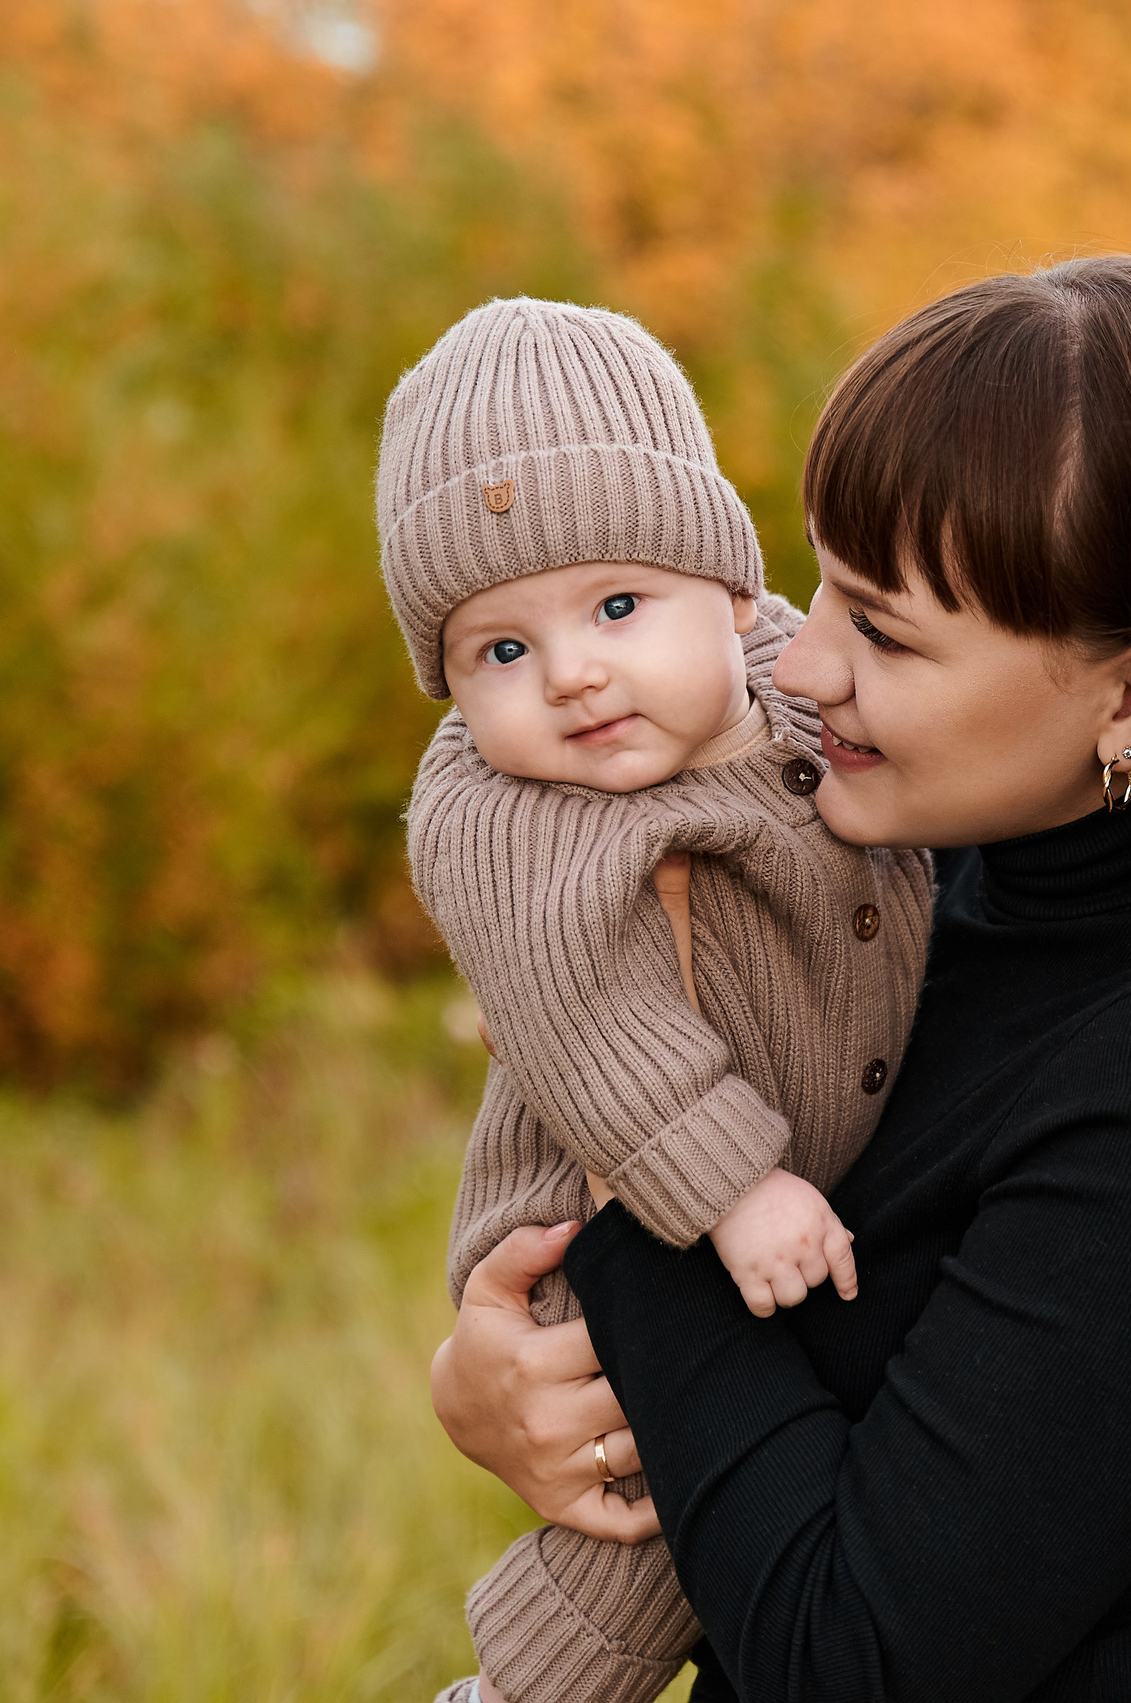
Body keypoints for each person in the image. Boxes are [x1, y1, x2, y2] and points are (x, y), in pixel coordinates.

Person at [427, 257, 1131, 1701]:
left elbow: (855, 1659)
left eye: (884, 630)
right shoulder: (928, 885)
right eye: (818, 583)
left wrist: (638, 1213)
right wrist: (496, 1382)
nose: (803, 662)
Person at [379, 297, 933, 1703]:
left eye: (618, 607)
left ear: (732, 591)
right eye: (500, 652)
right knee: (649, 1524)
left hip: (767, 1216)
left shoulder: (796, 686)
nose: (572, 675)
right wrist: (736, 1185)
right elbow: (586, 1020)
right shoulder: (508, 814)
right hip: (607, 1220)